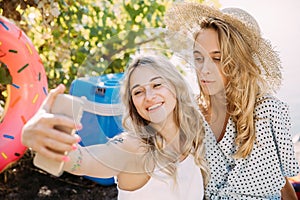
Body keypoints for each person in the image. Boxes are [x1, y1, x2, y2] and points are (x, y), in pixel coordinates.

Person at [21, 54, 209, 200]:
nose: (149, 96)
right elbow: (83, 161)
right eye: (138, 91)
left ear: (175, 86)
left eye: (157, 84)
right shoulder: (134, 148)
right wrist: (39, 138)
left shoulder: (192, 133)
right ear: (133, 103)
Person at [165, 2, 300, 200]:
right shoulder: (190, 113)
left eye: (217, 58)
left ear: (239, 62)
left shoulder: (266, 111)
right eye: (199, 57)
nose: (204, 70)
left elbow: (279, 181)